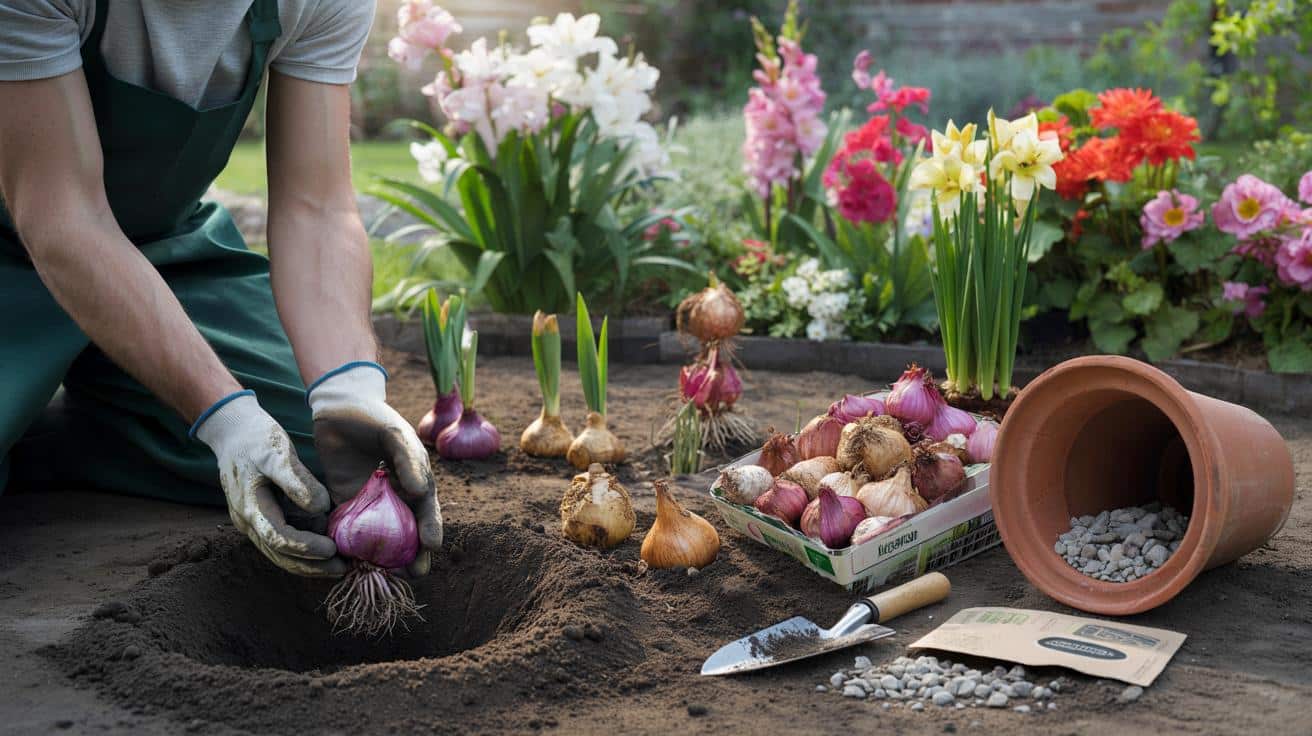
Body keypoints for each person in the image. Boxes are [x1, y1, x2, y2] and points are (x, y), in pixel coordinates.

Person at [0, 0, 443, 579]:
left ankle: (71, 422)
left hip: (165, 251)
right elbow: (62, 217)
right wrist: (225, 418)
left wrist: (349, 390)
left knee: (319, 463)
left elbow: (316, 208)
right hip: (17, 253)